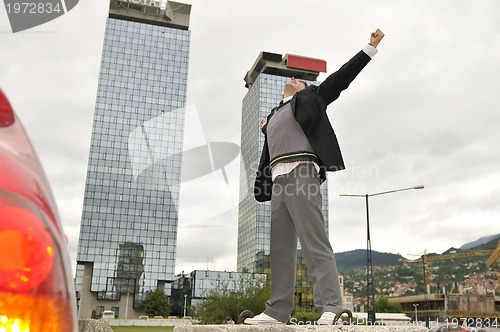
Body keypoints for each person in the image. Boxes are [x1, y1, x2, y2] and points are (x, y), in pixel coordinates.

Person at [246, 29, 385, 325]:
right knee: (280, 249)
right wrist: (265, 127)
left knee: (314, 241)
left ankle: (331, 306)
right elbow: (272, 146)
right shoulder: (272, 116)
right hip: (279, 180)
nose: (295, 78)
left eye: (301, 79)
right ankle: (276, 311)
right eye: (293, 78)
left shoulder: (312, 97)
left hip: (302, 173)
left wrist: (369, 49)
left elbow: (340, 79)